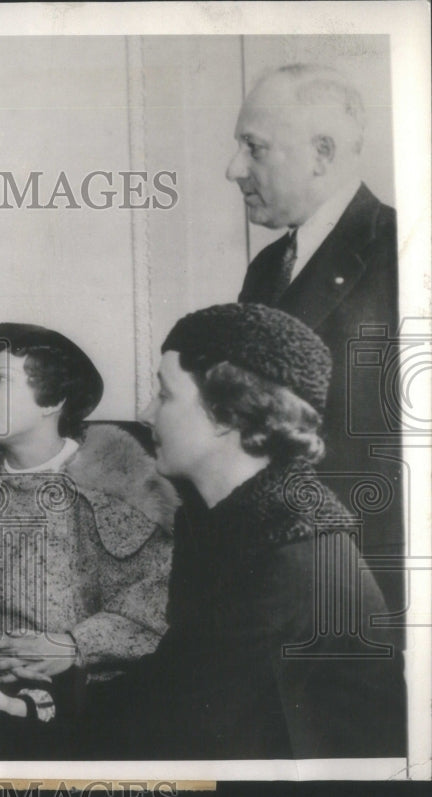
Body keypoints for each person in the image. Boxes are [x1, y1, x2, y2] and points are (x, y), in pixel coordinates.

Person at [0, 304, 406, 760]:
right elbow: (164, 690)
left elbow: (159, 749)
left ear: (227, 414)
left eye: (164, 394)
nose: (145, 414)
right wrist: (25, 709)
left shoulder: (283, 570)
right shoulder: (240, 530)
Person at [0, 323, 177, 695]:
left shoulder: (122, 494)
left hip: (105, 705)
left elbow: (159, 610)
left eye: (0, 380)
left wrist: (73, 646)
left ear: (52, 401)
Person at [226, 63, 401, 596]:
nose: (233, 169)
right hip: (278, 569)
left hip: (364, 578)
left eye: (254, 148)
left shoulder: (401, 249)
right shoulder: (267, 266)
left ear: (322, 154)